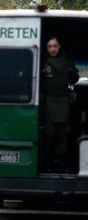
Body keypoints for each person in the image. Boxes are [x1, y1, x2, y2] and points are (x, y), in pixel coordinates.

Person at [41, 36, 79, 173]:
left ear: (59, 46)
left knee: (63, 135)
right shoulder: (42, 62)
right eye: (49, 46)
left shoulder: (67, 61)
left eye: (55, 46)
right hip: (47, 104)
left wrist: (72, 70)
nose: (52, 49)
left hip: (63, 103)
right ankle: (46, 165)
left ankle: (62, 168)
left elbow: (74, 79)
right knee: (49, 135)